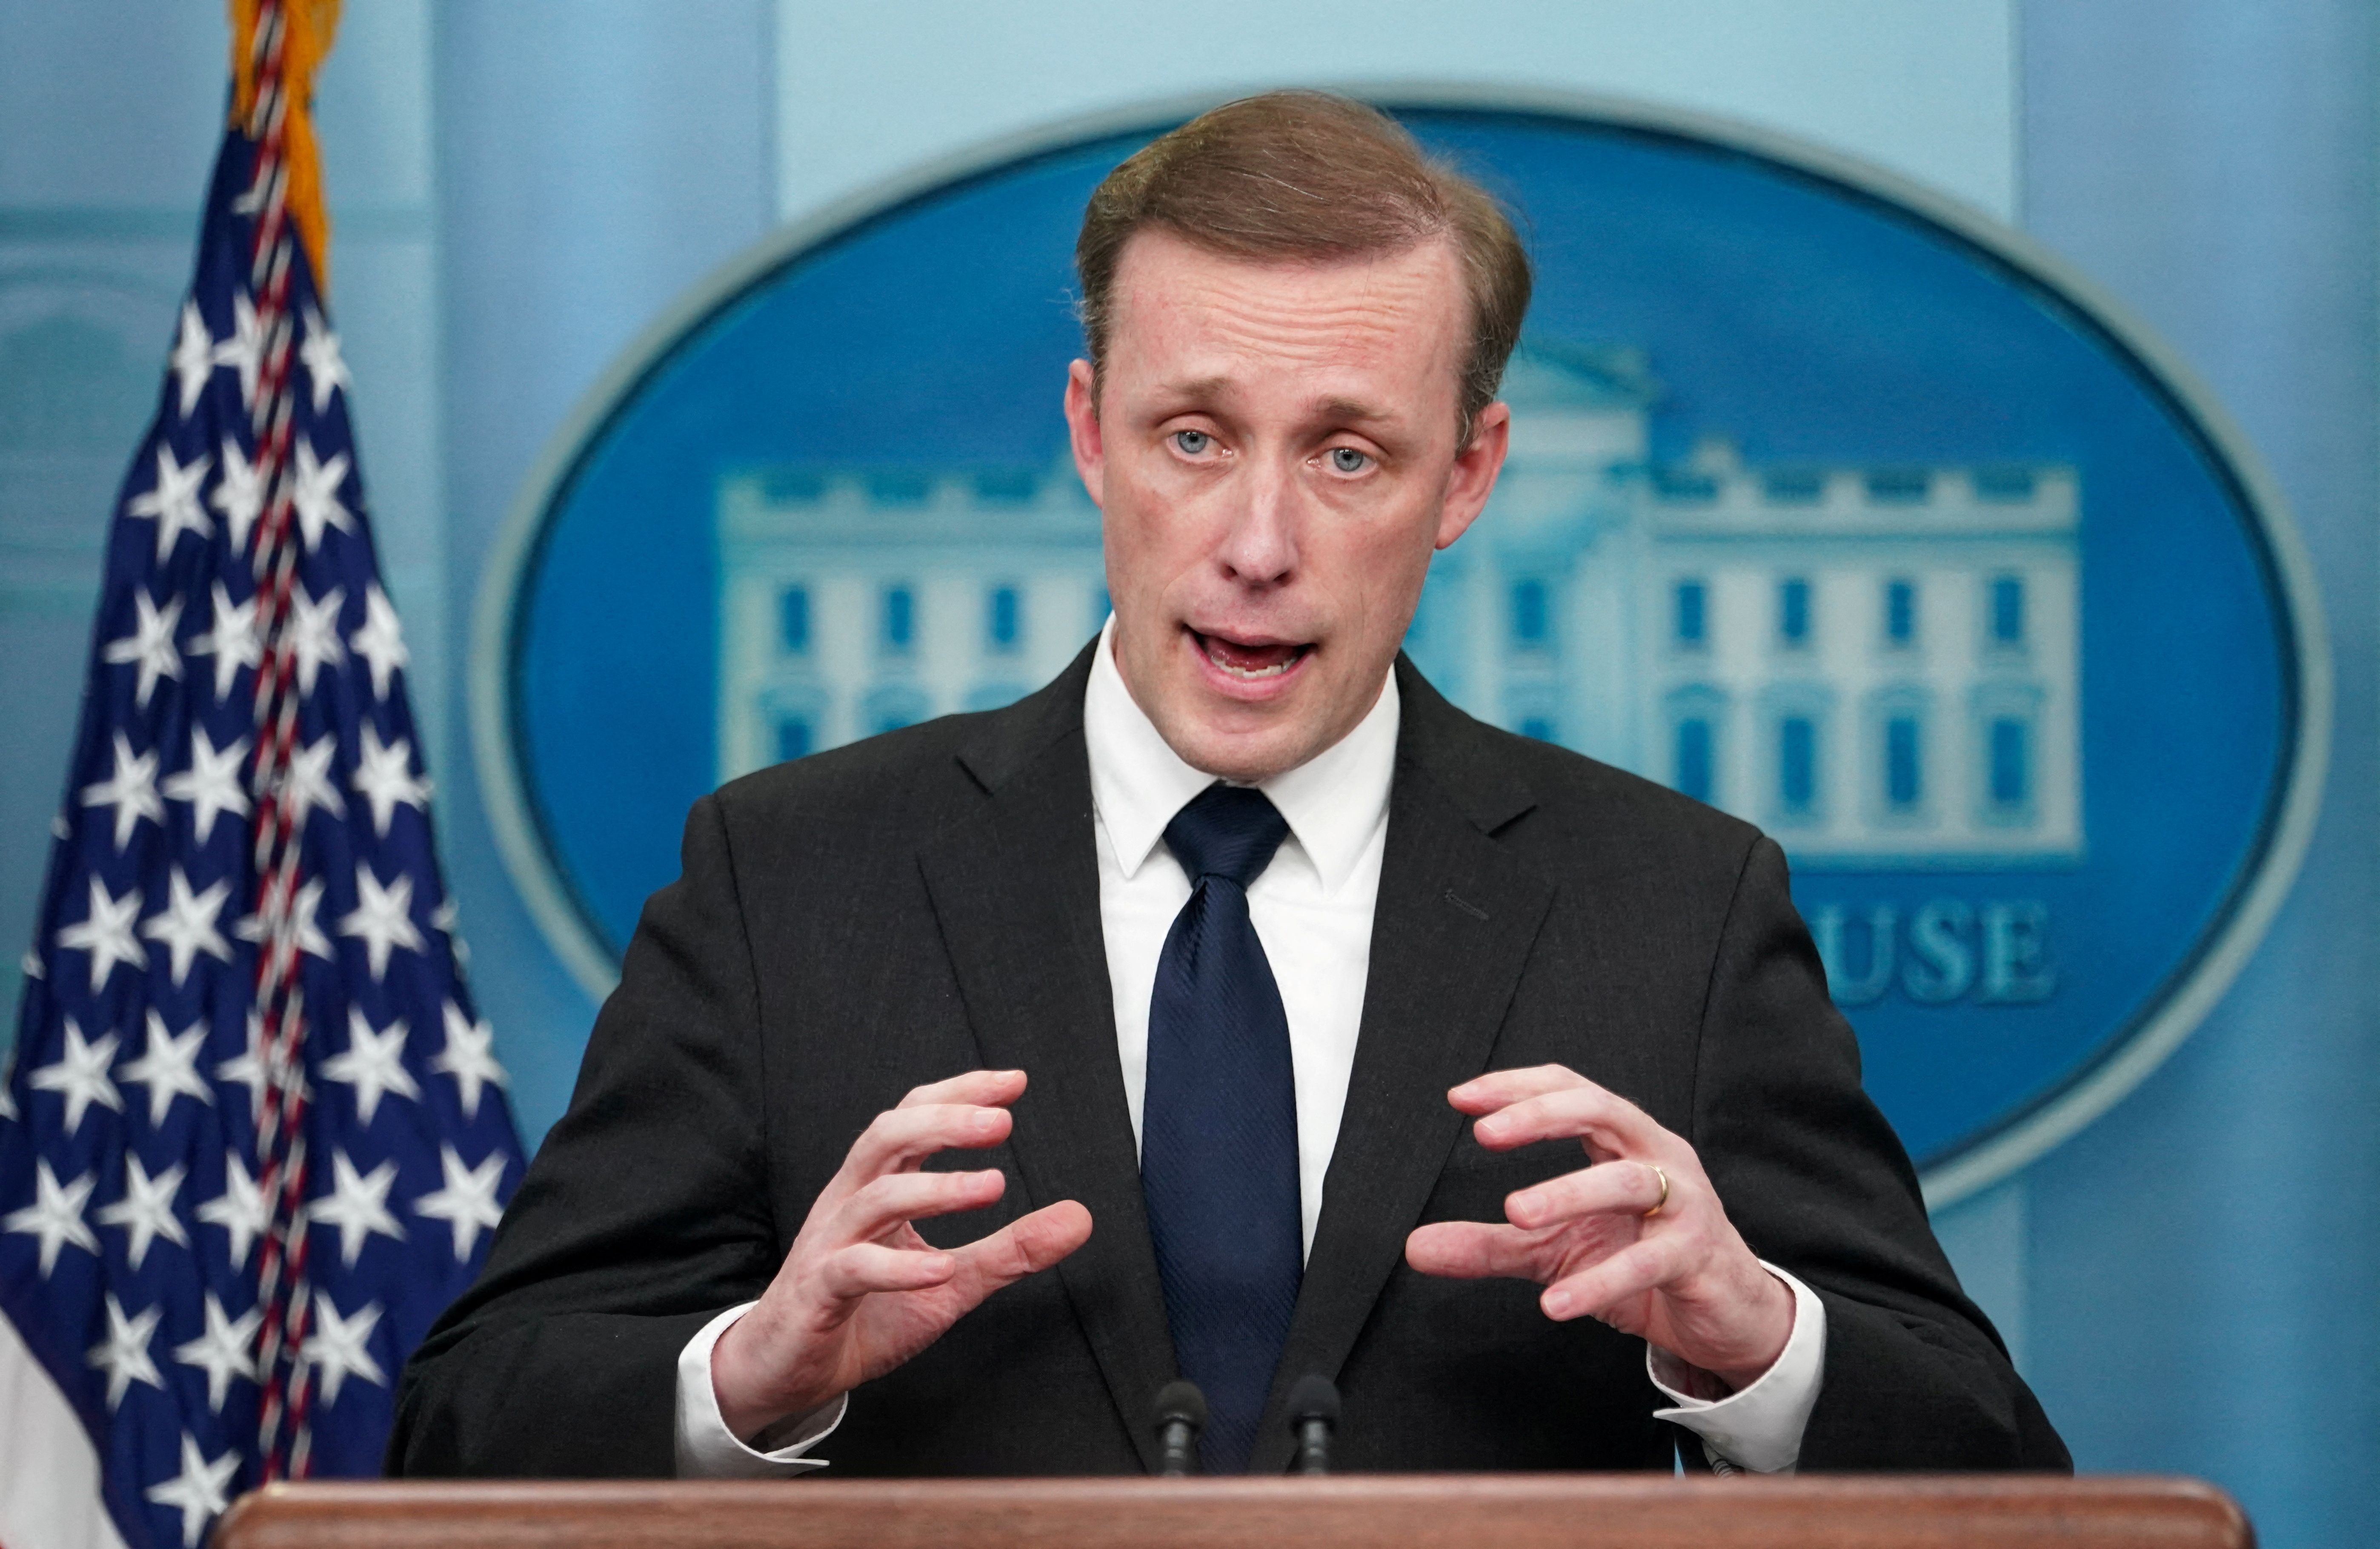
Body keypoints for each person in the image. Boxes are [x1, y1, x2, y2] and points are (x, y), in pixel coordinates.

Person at [390, 91, 2065, 1479]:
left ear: (1466, 474)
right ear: (1088, 432)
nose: (1259, 545)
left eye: (1348, 453)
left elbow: (2003, 1475)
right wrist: (758, 1369)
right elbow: (464, 1429)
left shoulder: (1675, 907)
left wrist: (1753, 1342)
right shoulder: (792, 878)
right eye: (1194, 436)